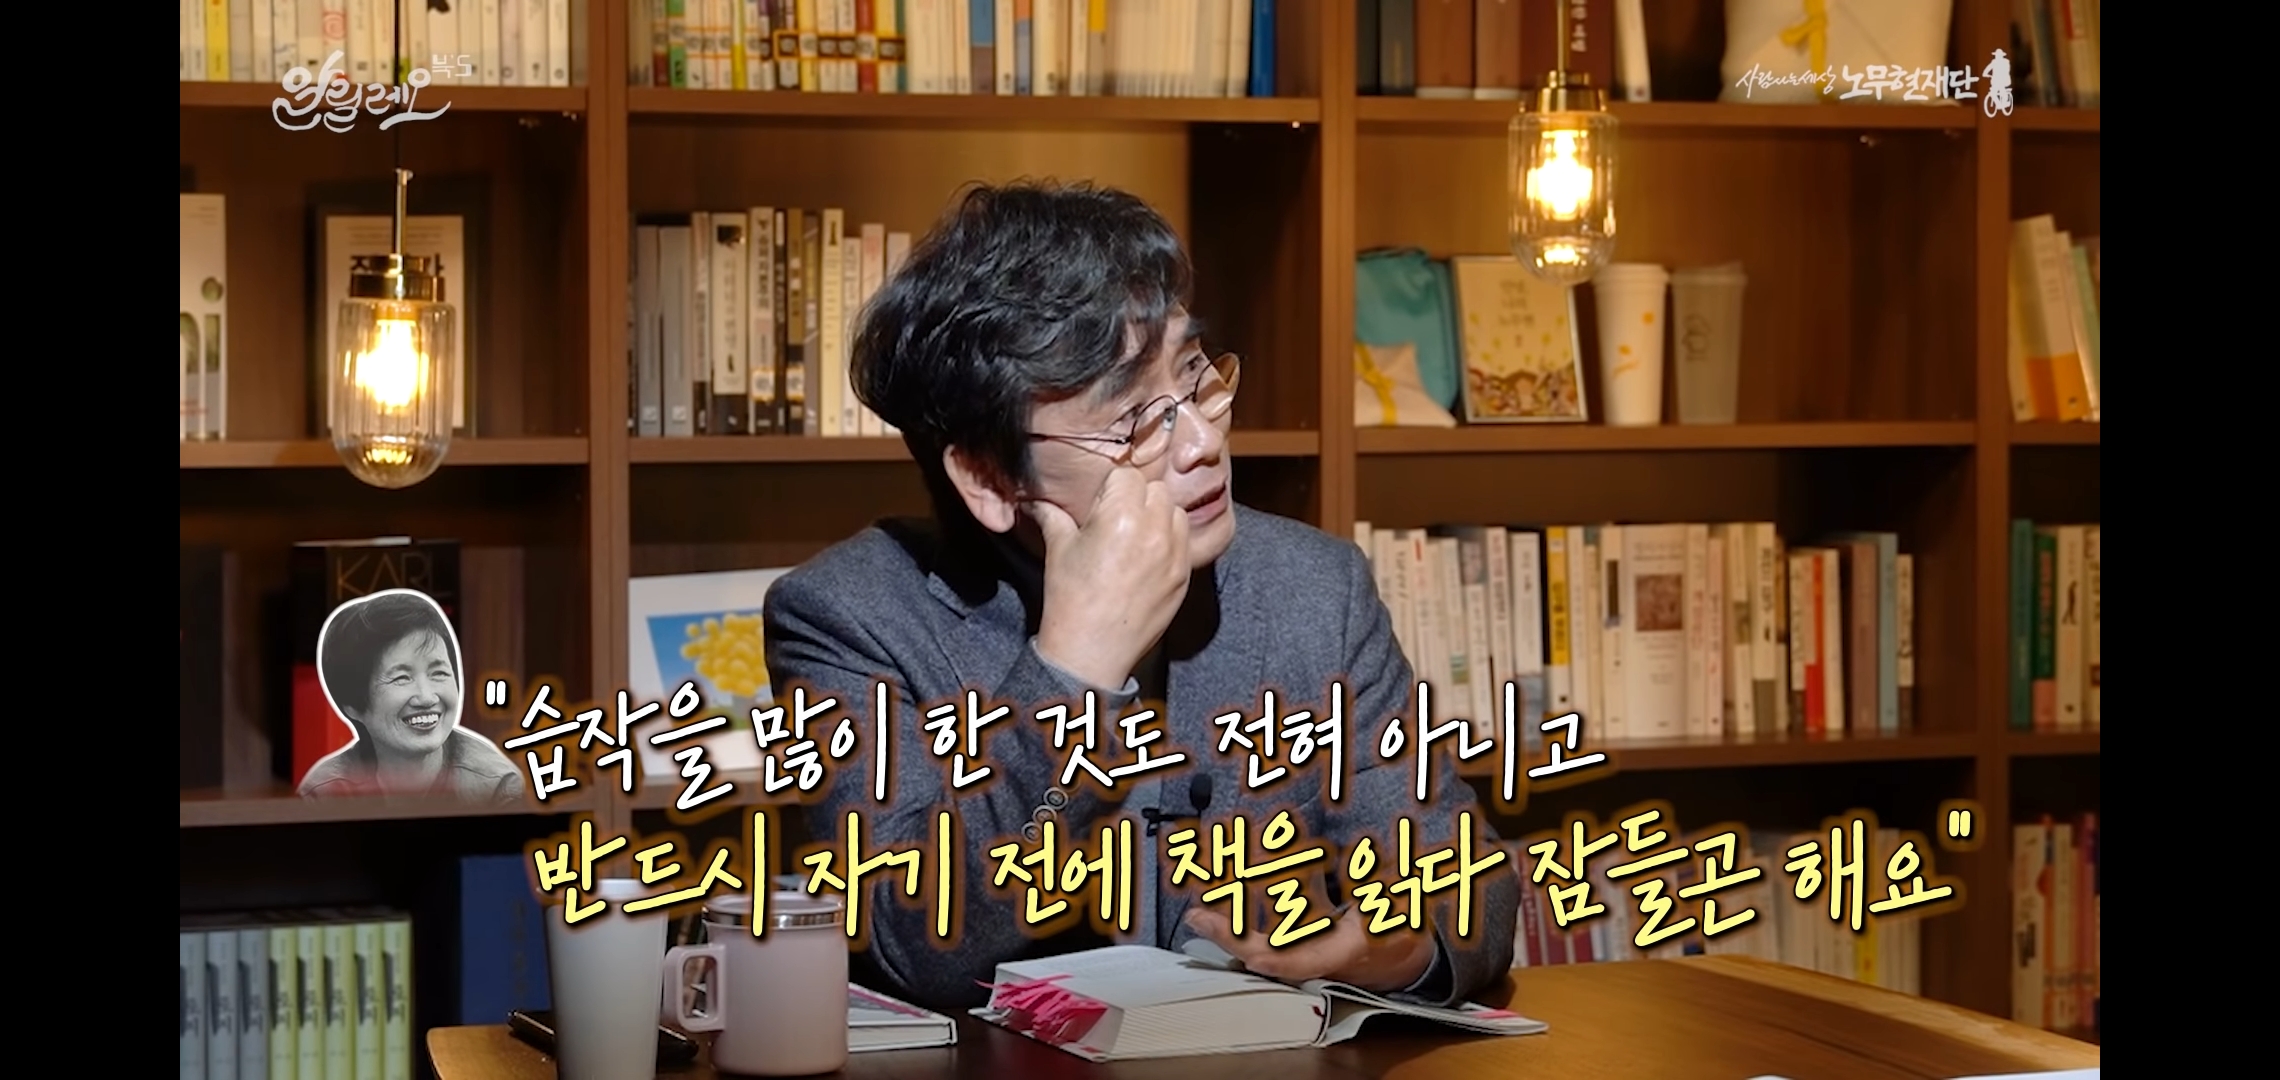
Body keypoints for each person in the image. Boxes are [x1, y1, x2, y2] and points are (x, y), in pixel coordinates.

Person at [763, 180, 1518, 1014]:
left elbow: (1473, 888)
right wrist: (1075, 668)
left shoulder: (1313, 587)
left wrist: (1398, 947)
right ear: (988, 476)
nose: (1201, 441)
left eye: (1195, 377)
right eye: (1132, 421)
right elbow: (917, 945)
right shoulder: (846, 619)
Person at [299, 589, 523, 805]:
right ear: (352, 706)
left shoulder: (496, 788)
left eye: (438, 673)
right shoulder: (324, 794)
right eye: (402, 678)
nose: (427, 698)